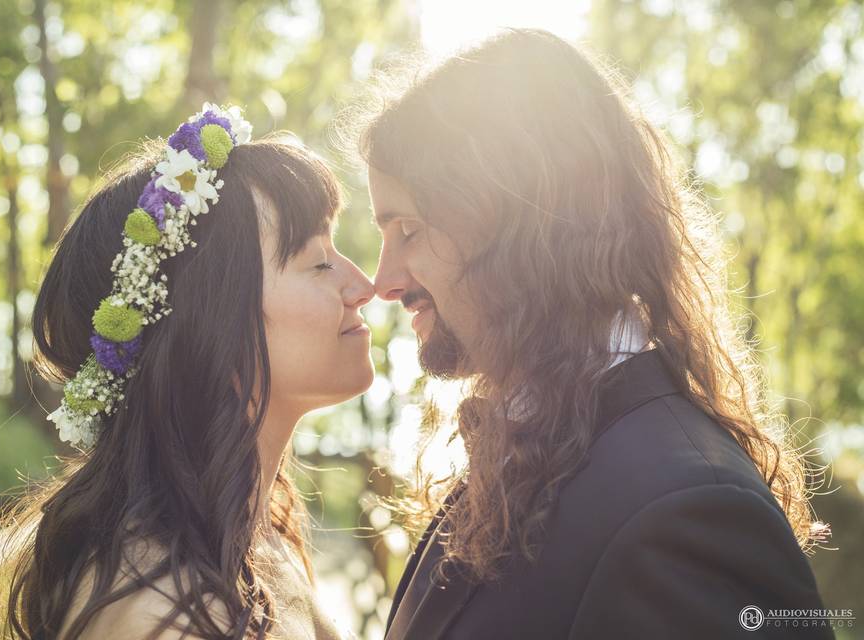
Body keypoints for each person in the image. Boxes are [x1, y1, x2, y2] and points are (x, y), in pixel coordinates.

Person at [351, 30, 834, 639]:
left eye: (410, 230)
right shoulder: (530, 455)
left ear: (520, 226)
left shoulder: (685, 512)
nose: (384, 281)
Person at [0, 104, 374, 640]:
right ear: (209, 325)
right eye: (317, 262)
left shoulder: (254, 539)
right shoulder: (157, 614)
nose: (364, 286)